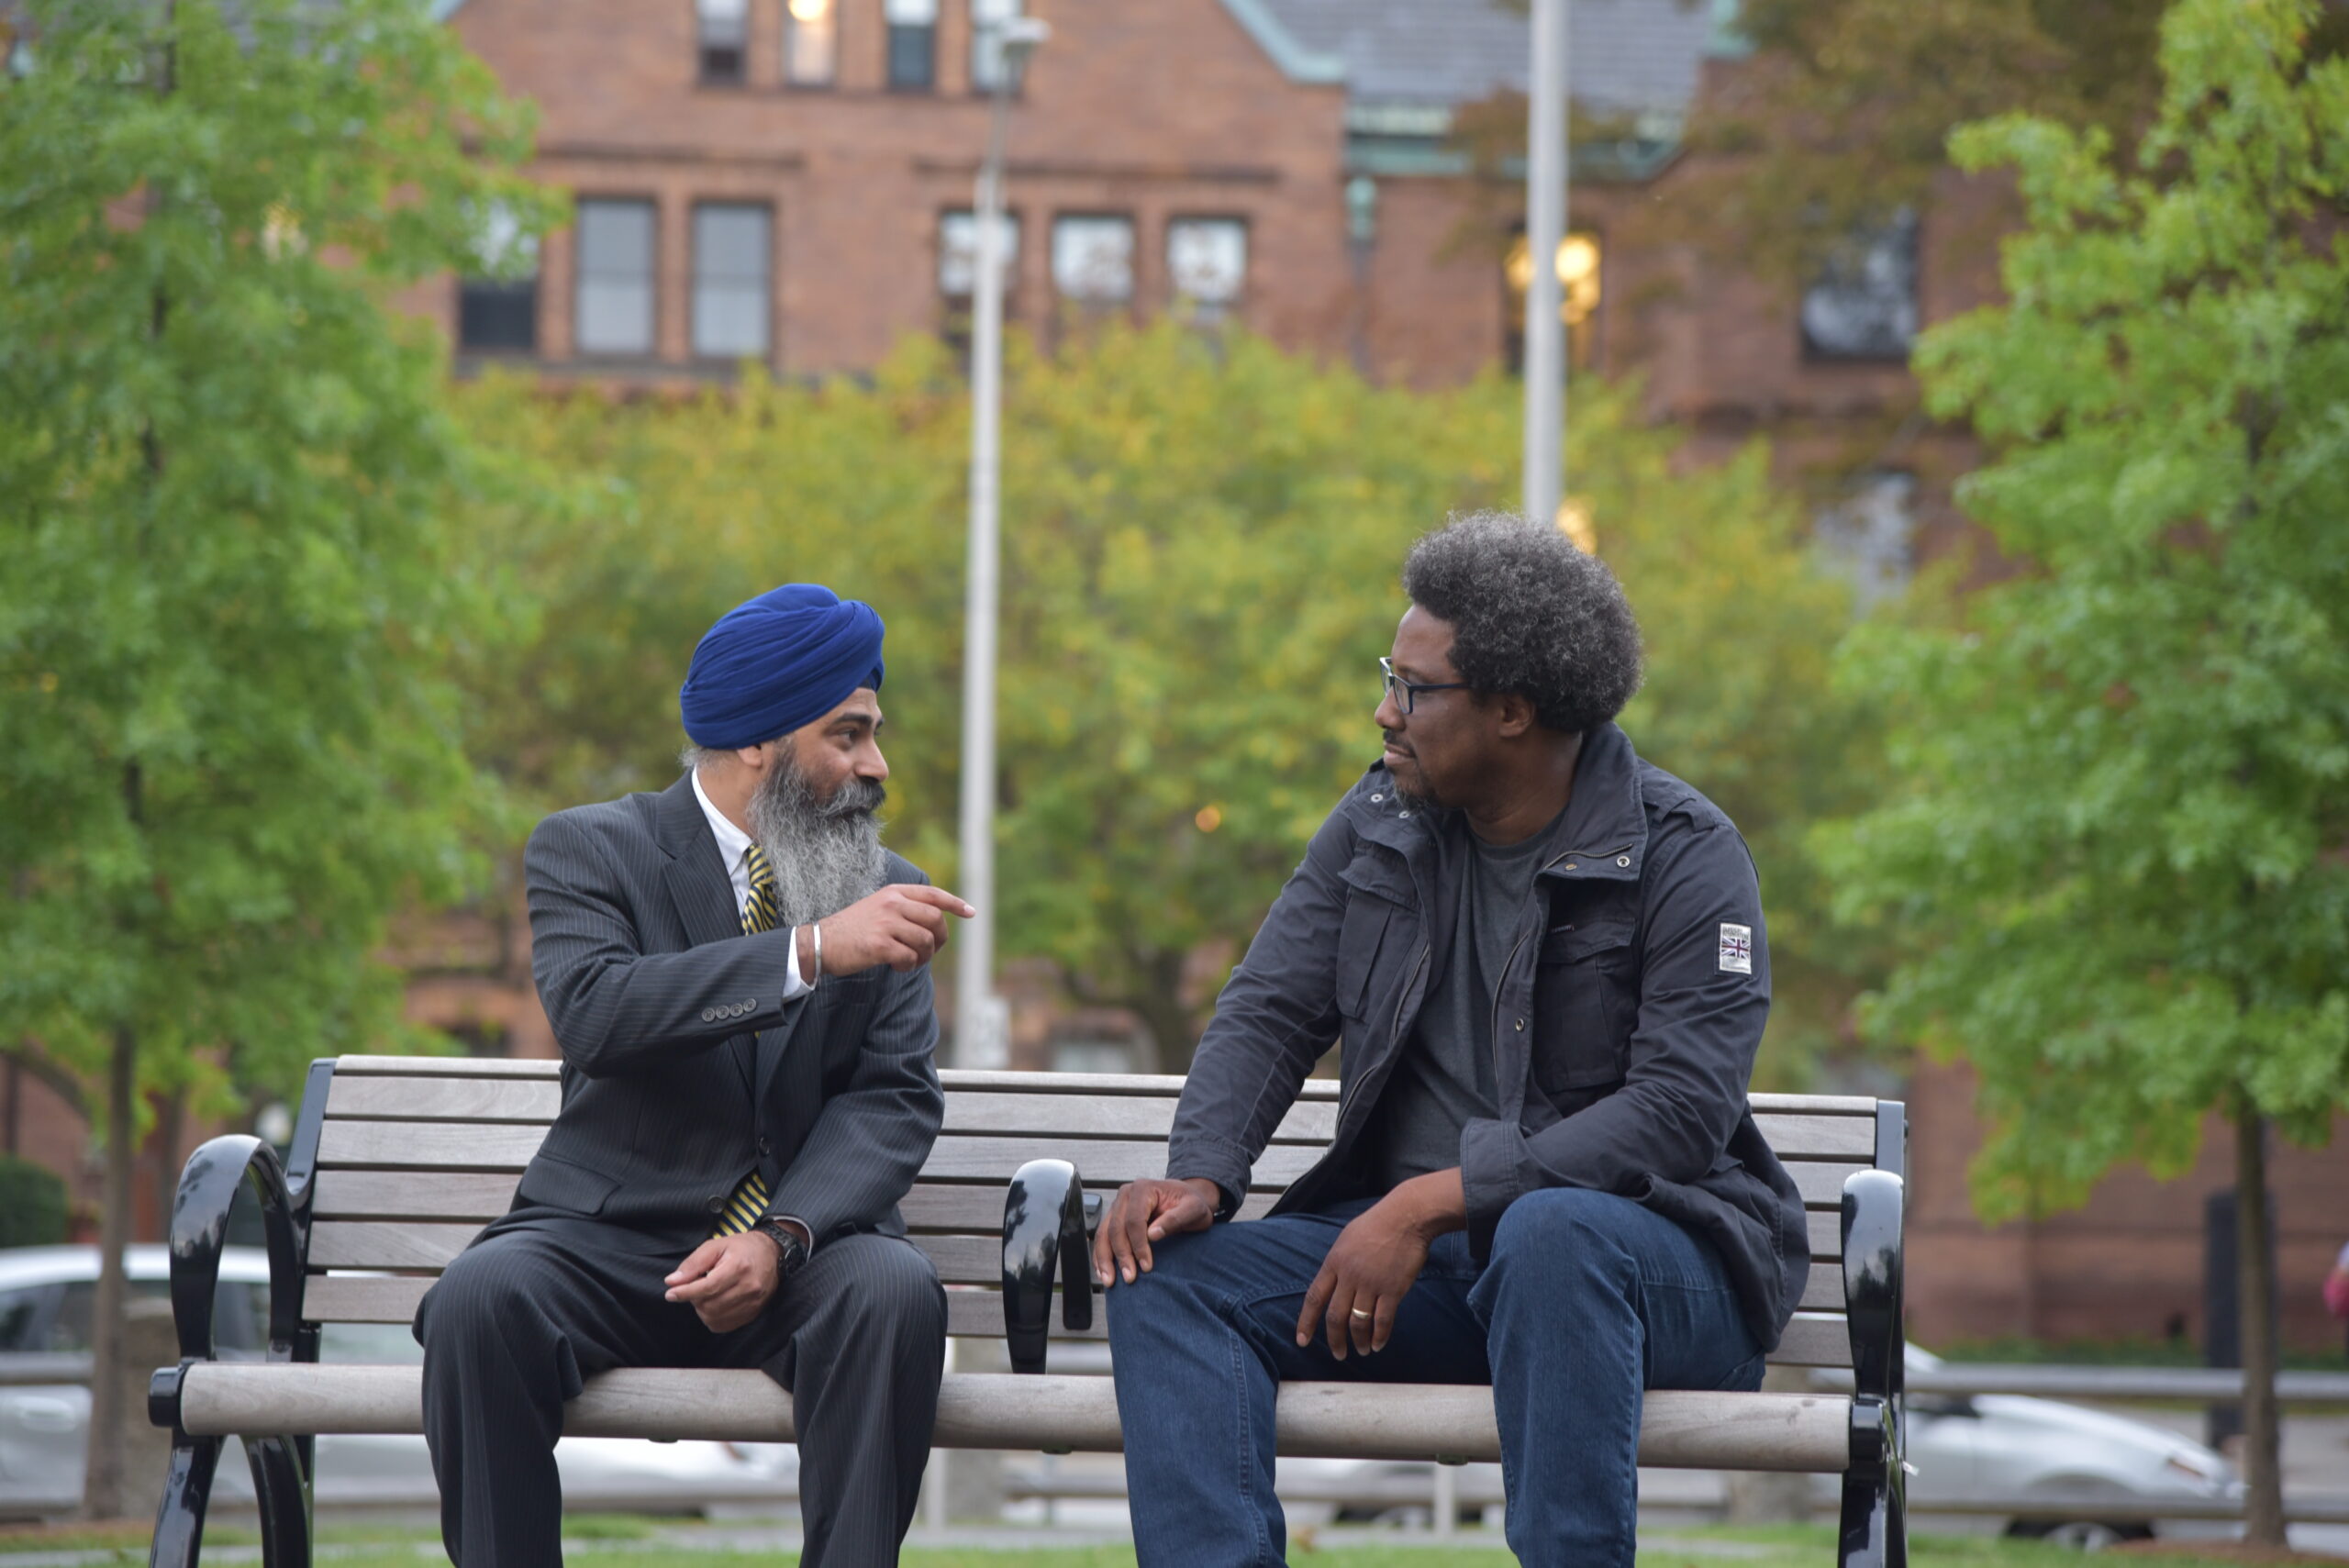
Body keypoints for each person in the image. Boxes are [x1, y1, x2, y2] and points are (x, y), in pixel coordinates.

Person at [1095, 515, 1810, 1568]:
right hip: (1429, 1278)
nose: (1384, 710)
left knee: (1553, 1232)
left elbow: (1679, 1109)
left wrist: (1431, 1199)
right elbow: (1269, 1007)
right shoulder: (1378, 819)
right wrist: (1201, 1169)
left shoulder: (1683, 852)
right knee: (1164, 1274)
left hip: (1649, 1277)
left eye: (1415, 688)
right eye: (1389, 677)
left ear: (1512, 710)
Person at [415, 584, 972, 1568]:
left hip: (801, 1252)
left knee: (893, 1290)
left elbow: (892, 1096)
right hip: (610, 1242)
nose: (875, 765)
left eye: (874, 735)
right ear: (758, 738)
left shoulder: (887, 887)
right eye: (847, 735)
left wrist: (782, 1236)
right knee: (479, 1298)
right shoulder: (592, 846)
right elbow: (596, 1012)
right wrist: (808, 952)